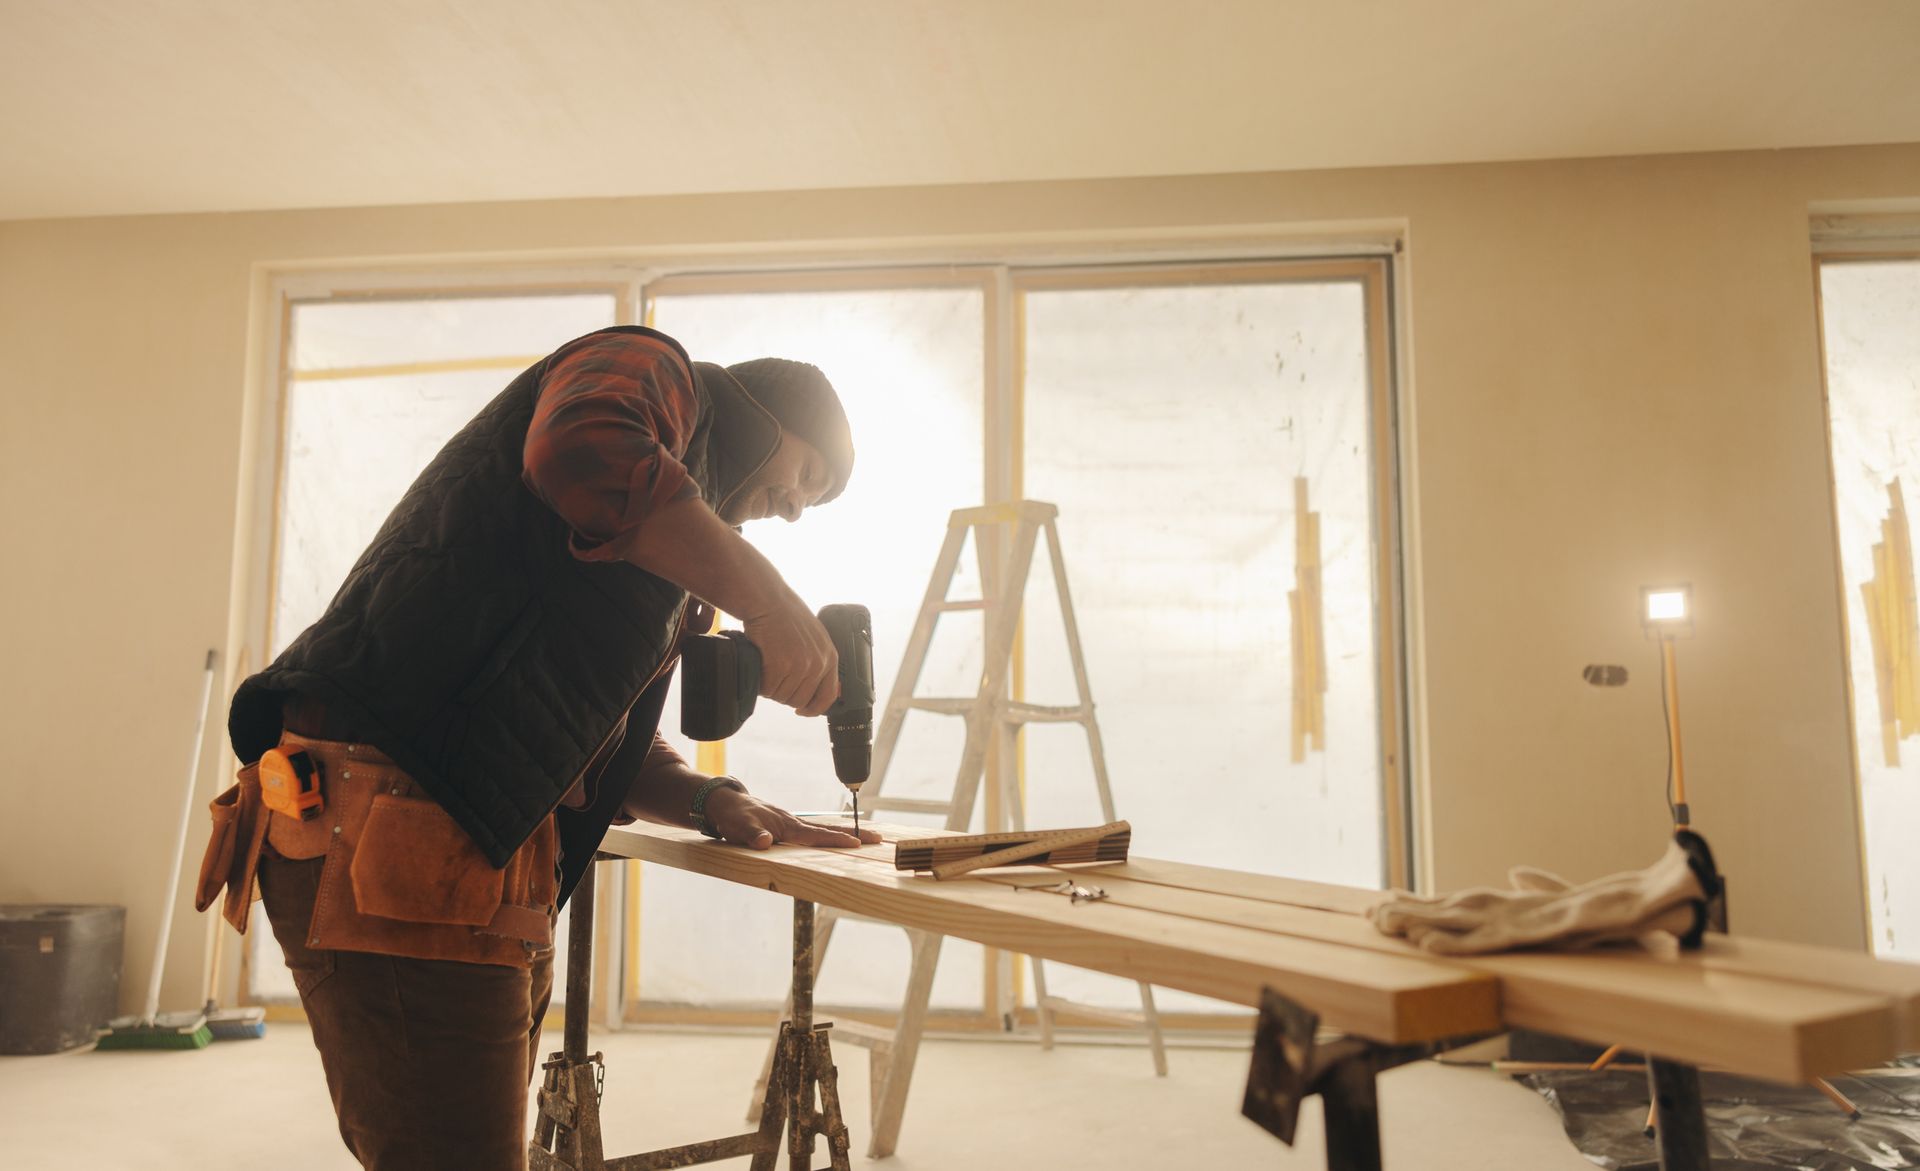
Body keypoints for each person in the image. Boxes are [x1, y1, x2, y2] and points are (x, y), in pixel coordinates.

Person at [195, 325, 879, 1170]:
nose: (794, 509)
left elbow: (584, 730)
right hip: (394, 832)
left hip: (468, 861)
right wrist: (768, 600)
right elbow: (581, 443)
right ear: (767, 417)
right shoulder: (655, 370)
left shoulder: (668, 552)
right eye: (808, 477)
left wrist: (713, 800)